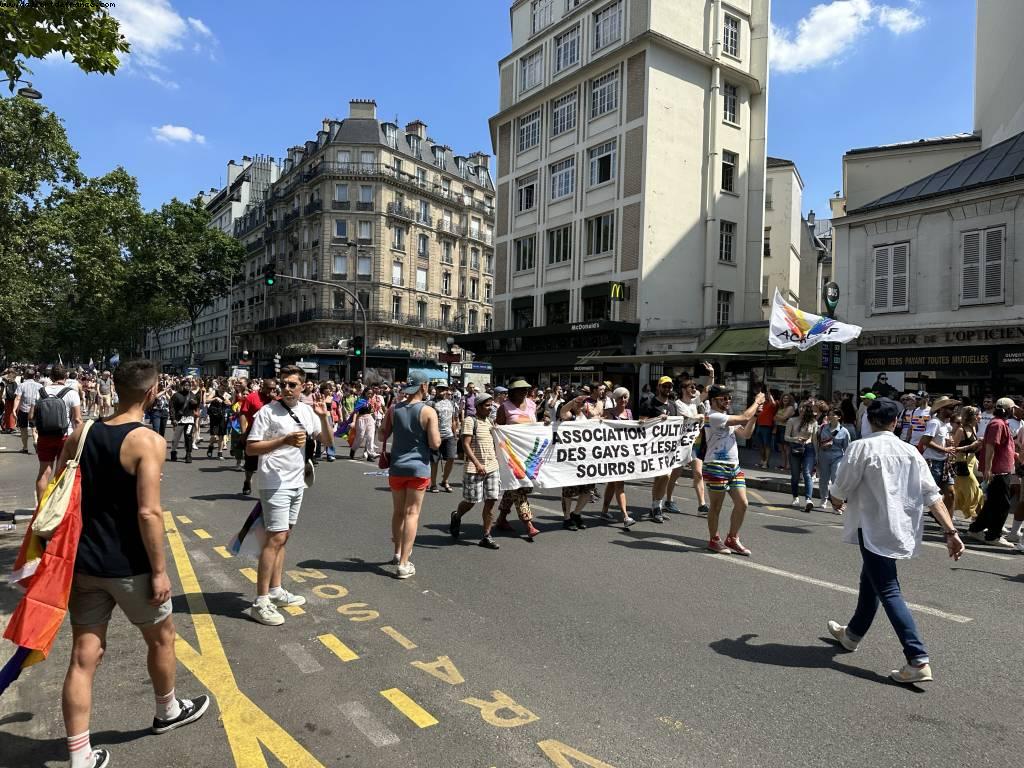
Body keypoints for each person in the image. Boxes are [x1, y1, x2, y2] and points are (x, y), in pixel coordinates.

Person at [59, 360, 210, 768]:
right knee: (161, 639)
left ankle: (79, 755)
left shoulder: (82, 432)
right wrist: (159, 571)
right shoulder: (147, 441)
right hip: (131, 565)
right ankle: (167, 710)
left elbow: (58, 485)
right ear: (152, 393)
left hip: (84, 563)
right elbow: (148, 512)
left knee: (83, 656)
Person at [825, 396, 964, 684]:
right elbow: (932, 495)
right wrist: (951, 532)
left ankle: (917, 658)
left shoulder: (861, 447)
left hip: (872, 528)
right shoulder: (910, 451)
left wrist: (836, 500)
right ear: (896, 422)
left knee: (887, 588)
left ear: (869, 420)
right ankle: (852, 634)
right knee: (871, 580)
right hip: (899, 528)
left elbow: (840, 488)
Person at [244, 366, 332, 625]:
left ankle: (275, 590)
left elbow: (328, 441)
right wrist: (283, 440)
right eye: (284, 384)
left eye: (293, 384)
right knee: (275, 538)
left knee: (284, 537)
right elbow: (250, 448)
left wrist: (324, 417)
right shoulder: (267, 412)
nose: (287, 388)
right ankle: (261, 601)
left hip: (297, 481)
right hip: (274, 482)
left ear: (303, 386)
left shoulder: (307, 410)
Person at [381, 372, 441, 578]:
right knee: (412, 513)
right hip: (418, 468)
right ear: (423, 386)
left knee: (398, 512)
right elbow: (435, 443)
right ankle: (404, 564)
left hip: (397, 467)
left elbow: (382, 434)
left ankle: (397, 553)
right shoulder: (428, 411)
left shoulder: (393, 409)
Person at [703, 385, 765, 555]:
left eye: (729, 397)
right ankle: (714, 539)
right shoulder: (713, 416)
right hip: (716, 465)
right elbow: (744, 417)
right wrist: (756, 402)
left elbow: (746, 434)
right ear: (713, 400)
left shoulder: (727, 417)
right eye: (724, 397)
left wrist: (755, 416)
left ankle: (732, 538)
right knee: (716, 506)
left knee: (743, 503)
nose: (728, 400)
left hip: (733, 466)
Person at [449, 393, 501, 550]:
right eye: (487, 405)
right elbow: (465, 444)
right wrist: (477, 464)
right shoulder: (470, 421)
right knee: (471, 501)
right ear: (478, 407)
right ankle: (457, 516)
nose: (490, 408)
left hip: (492, 467)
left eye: (491, 405)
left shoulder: (490, 421)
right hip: (474, 469)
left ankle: (486, 536)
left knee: (491, 501)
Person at [964, 397, 1017, 548]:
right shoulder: (997, 424)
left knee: (993, 503)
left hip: (1001, 469)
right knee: (1003, 505)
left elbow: (1002, 446)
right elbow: (990, 446)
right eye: (1012, 408)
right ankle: (993, 536)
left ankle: (976, 529)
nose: (1014, 410)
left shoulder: (1001, 423)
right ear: (1008, 409)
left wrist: (1014, 455)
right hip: (998, 471)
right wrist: (988, 468)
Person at [494, 380, 541, 540]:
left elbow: (535, 425)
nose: (523, 392)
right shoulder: (504, 407)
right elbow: (499, 429)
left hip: (528, 452)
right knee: (519, 486)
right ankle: (528, 523)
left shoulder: (532, 404)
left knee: (515, 486)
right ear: (512, 392)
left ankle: (501, 519)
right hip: (511, 453)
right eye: (520, 389)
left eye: (525, 389)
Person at [33, 364, 83, 503]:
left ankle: (41, 507)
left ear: (50, 377)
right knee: (61, 472)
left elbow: (32, 415)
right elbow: (78, 420)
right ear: (65, 376)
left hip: (45, 436)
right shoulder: (71, 393)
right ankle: (55, 505)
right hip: (65, 436)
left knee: (44, 472)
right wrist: (80, 438)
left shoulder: (41, 391)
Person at [637, 375, 682, 523]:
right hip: (654, 447)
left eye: (669, 386)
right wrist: (657, 419)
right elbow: (641, 423)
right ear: (659, 387)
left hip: (668, 448)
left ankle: (656, 507)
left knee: (663, 477)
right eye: (664, 386)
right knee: (662, 476)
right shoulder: (649, 403)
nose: (667, 389)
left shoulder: (673, 405)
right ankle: (656, 507)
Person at [600, 387, 636, 528]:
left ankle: (604, 511)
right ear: (615, 399)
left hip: (625, 453)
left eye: (625, 397)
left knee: (612, 483)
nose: (623, 400)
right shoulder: (609, 413)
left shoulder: (629, 413)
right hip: (612, 454)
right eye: (620, 397)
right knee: (619, 484)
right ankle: (625, 516)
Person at [919, 396, 960, 512]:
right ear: (942, 409)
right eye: (950, 408)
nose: (953, 411)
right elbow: (925, 441)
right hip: (933, 463)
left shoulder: (944, 424)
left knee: (951, 494)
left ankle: (946, 522)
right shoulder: (934, 423)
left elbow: (937, 441)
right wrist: (945, 449)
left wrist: (947, 443)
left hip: (944, 463)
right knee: (928, 495)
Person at [239, 377, 277, 495]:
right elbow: (243, 414)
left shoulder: (276, 400)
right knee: (251, 461)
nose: (271, 391)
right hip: (254, 432)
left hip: (271, 434)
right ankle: (248, 480)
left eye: (273, 388)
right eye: (268, 388)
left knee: (270, 461)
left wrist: (274, 399)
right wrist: (243, 432)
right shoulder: (252, 397)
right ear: (262, 387)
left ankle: (267, 488)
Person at [950, 406, 984, 522]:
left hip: (972, 461)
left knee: (958, 493)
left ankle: (943, 512)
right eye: (978, 414)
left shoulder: (973, 428)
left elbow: (973, 449)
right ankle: (976, 518)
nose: (980, 417)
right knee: (976, 490)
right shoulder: (961, 430)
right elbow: (953, 449)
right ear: (973, 416)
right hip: (962, 463)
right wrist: (972, 445)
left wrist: (979, 445)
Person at [785, 402, 818, 511]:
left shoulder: (813, 422)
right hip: (795, 448)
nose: (801, 409)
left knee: (807, 474)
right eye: (800, 407)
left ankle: (808, 499)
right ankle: (795, 497)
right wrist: (795, 439)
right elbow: (786, 437)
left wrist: (817, 454)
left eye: (804, 408)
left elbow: (814, 440)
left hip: (808, 449)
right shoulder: (792, 420)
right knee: (795, 475)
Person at [816, 409, 851, 511]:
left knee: (835, 478)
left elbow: (847, 448)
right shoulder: (823, 428)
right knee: (823, 479)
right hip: (823, 456)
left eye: (833, 415)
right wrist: (816, 456)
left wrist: (847, 462)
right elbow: (817, 442)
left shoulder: (844, 431)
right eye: (829, 415)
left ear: (839, 417)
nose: (830, 416)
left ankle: (837, 503)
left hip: (837, 457)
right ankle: (823, 499)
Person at [428, 383, 459, 493]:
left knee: (451, 457)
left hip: (449, 435)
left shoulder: (451, 403)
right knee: (434, 460)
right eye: (439, 388)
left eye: (444, 388)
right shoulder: (430, 403)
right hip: (435, 435)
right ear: (436, 390)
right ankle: (433, 484)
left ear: (447, 390)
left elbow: (453, 419)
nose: (441, 390)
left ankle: (445, 480)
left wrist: (455, 434)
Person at [12, 367, 42, 454]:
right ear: (34, 376)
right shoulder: (40, 386)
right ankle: (36, 440)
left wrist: (14, 410)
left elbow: (18, 398)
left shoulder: (21, 385)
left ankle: (25, 447)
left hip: (23, 410)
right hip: (35, 410)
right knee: (34, 427)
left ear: (25, 376)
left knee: (23, 429)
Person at [168, 383, 199, 464]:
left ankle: (188, 454)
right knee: (176, 437)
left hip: (190, 419)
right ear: (181, 386)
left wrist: (195, 404)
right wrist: (173, 419)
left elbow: (196, 406)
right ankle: (173, 452)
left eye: (189, 385)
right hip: (179, 420)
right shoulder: (176, 395)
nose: (187, 386)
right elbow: (171, 407)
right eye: (185, 385)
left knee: (188, 436)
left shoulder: (192, 395)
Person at [754, 386, 778, 469]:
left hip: (767, 426)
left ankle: (766, 462)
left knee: (767, 445)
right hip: (759, 425)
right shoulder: (762, 403)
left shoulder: (774, 403)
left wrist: (768, 392)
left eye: (768, 395)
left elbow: (773, 403)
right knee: (760, 445)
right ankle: (762, 460)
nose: (766, 396)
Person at [773, 392, 796, 470]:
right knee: (781, 448)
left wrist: (778, 417)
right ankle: (783, 464)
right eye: (784, 398)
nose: (785, 399)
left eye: (787, 398)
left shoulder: (790, 407)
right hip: (779, 427)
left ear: (790, 400)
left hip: (786, 428)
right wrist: (780, 417)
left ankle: (788, 465)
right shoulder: (781, 408)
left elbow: (783, 418)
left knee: (786, 448)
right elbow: (774, 418)